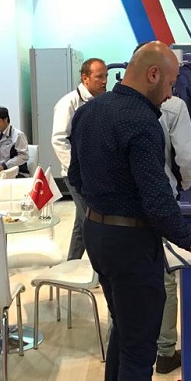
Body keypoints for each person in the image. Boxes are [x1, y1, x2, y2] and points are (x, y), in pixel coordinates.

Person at [69, 40, 191, 381]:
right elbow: (157, 200)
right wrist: (190, 239)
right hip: (133, 245)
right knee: (140, 351)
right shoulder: (142, 121)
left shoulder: (89, 111)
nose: (171, 94)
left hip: (98, 236)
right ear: (153, 74)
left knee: (123, 329)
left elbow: (75, 178)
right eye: (170, 83)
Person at [51, 58, 108, 261]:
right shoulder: (68, 103)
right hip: (77, 176)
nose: (104, 81)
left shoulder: (102, 101)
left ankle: (72, 263)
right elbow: (59, 139)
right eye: (99, 77)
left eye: (106, 76)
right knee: (92, 222)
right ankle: (100, 269)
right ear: (85, 78)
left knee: (82, 221)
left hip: (96, 173)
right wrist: (77, 169)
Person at [155, 94, 191, 374]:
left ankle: (123, 347)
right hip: (161, 200)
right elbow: (184, 155)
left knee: (125, 280)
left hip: (117, 212)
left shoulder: (105, 106)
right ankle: (165, 351)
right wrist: (186, 182)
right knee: (165, 277)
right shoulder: (173, 107)